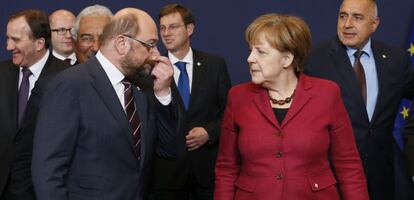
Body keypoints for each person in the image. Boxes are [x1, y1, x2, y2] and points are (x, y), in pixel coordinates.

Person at [214, 13, 369, 200]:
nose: (250, 59)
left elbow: (348, 165)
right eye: (250, 50)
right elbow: (226, 169)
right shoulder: (238, 97)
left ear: (287, 60)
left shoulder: (327, 94)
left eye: (260, 52)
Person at [31, 7, 180, 200]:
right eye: (150, 44)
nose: (155, 54)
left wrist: (163, 94)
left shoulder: (143, 87)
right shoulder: (69, 85)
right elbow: (48, 172)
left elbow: (169, 151)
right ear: (122, 43)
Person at [305, 0, 414, 199]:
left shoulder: (395, 59)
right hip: (333, 177)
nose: (347, 24)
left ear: (374, 24)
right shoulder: (315, 59)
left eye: (357, 17)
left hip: (383, 177)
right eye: (342, 16)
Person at [148, 4, 231, 200]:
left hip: (205, 173)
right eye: (162, 28)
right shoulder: (149, 69)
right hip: (166, 175)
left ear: (190, 29)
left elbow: (230, 113)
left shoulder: (214, 65)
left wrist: (209, 132)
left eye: (173, 27)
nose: (166, 33)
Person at [0, 9, 70, 200]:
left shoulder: (67, 78)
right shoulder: (2, 73)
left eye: (15, 40)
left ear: (39, 43)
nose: (8, 46)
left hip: (42, 190)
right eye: (7, 38)